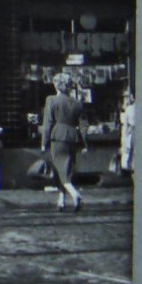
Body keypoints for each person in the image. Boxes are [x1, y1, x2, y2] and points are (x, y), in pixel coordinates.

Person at [41, 72, 89, 211]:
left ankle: (75, 194)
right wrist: (84, 143)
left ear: (56, 85)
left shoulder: (51, 100)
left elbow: (47, 123)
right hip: (72, 138)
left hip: (57, 137)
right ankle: (61, 201)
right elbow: (83, 125)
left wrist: (44, 143)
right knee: (65, 168)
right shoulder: (77, 103)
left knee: (59, 169)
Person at [118, 88, 136, 176]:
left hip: (132, 136)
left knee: (132, 162)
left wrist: (123, 143)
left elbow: (124, 127)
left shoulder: (129, 109)